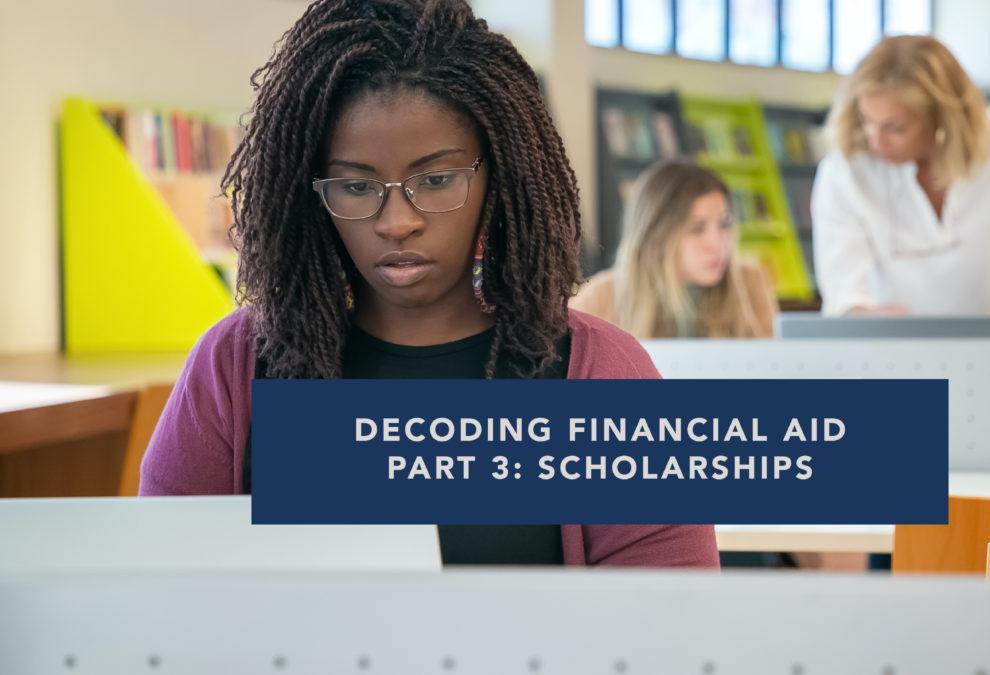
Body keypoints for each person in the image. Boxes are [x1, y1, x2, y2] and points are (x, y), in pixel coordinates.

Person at [139, 0, 718, 568]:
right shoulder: (235, 365)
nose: (396, 222)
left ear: (501, 175)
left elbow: (672, 627)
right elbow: (158, 600)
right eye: (357, 187)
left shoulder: (600, 376)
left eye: (437, 179)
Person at [812, 35, 990, 317]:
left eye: (895, 128)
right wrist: (866, 316)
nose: (875, 140)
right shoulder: (845, 169)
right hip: (888, 353)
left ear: (943, 120)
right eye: (866, 121)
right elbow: (844, 296)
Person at [571, 160, 777, 338]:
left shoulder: (749, 283)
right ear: (656, 236)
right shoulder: (601, 296)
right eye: (697, 229)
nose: (718, 243)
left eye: (724, 224)